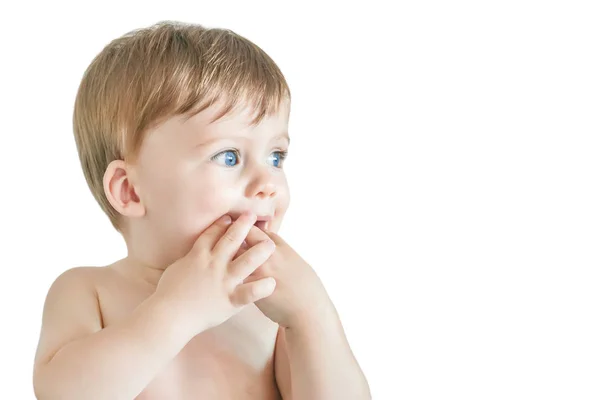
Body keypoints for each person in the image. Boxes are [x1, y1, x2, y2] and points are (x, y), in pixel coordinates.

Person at [32, 20, 370, 399]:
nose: (268, 184)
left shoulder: (268, 305)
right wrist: (178, 309)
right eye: (229, 156)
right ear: (129, 190)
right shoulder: (88, 292)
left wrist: (313, 316)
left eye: (276, 156)